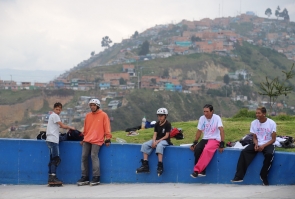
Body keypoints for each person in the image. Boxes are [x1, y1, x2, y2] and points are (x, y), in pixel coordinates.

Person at [231, 107, 276, 186]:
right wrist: (256, 144)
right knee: (244, 152)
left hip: (268, 143)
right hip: (257, 143)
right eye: (256, 113)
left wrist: (263, 146)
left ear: (264, 114)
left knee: (269, 155)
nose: (257, 115)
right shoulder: (254, 123)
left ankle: (263, 176)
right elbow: (254, 137)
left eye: (259, 113)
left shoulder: (271, 123)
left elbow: (273, 139)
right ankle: (239, 177)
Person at [77, 99, 112, 186]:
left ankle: (96, 177)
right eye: (91, 105)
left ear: (98, 106)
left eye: (94, 105)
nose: (92, 107)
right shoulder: (88, 116)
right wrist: (83, 138)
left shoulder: (103, 115)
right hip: (87, 139)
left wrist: (108, 138)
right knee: (84, 156)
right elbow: (85, 128)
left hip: (97, 139)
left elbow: (107, 127)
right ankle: (85, 177)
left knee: (93, 155)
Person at [190, 104, 225, 178]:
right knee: (197, 149)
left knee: (206, 150)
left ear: (212, 111)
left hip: (215, 139)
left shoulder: (217, 118)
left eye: (207, 111)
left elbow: (221, 130)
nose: (205, 113)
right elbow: (199, 131)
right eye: (204, 111)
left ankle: (196, 171)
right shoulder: (202, 118)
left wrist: (222, 143)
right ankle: (202, 171)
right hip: (205, 138)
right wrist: (195, 142)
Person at [46, 102, 75, 185]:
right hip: (53, 140)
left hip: (50, 139)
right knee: (56, 159)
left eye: (59, 110)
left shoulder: (52, 116)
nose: (58, 111)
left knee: (52, 159)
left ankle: (50, 177)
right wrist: (71, 127)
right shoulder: (55, 116)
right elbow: (62, 126)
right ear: (53, 109)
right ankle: (53, 178)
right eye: (56, 109)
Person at [136, 108, 172, 176]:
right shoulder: (157, 124)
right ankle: (145, 165)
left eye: (161, 116)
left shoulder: (168, 124)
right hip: (157, 139)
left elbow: (167, 136)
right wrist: (153, 141)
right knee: (145, 145)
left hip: (164, 140)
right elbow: (155, 134)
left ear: (165, 116)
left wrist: (157, 141)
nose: (160, 117)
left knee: (159, 146)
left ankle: (160, 165)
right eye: (159, 116)